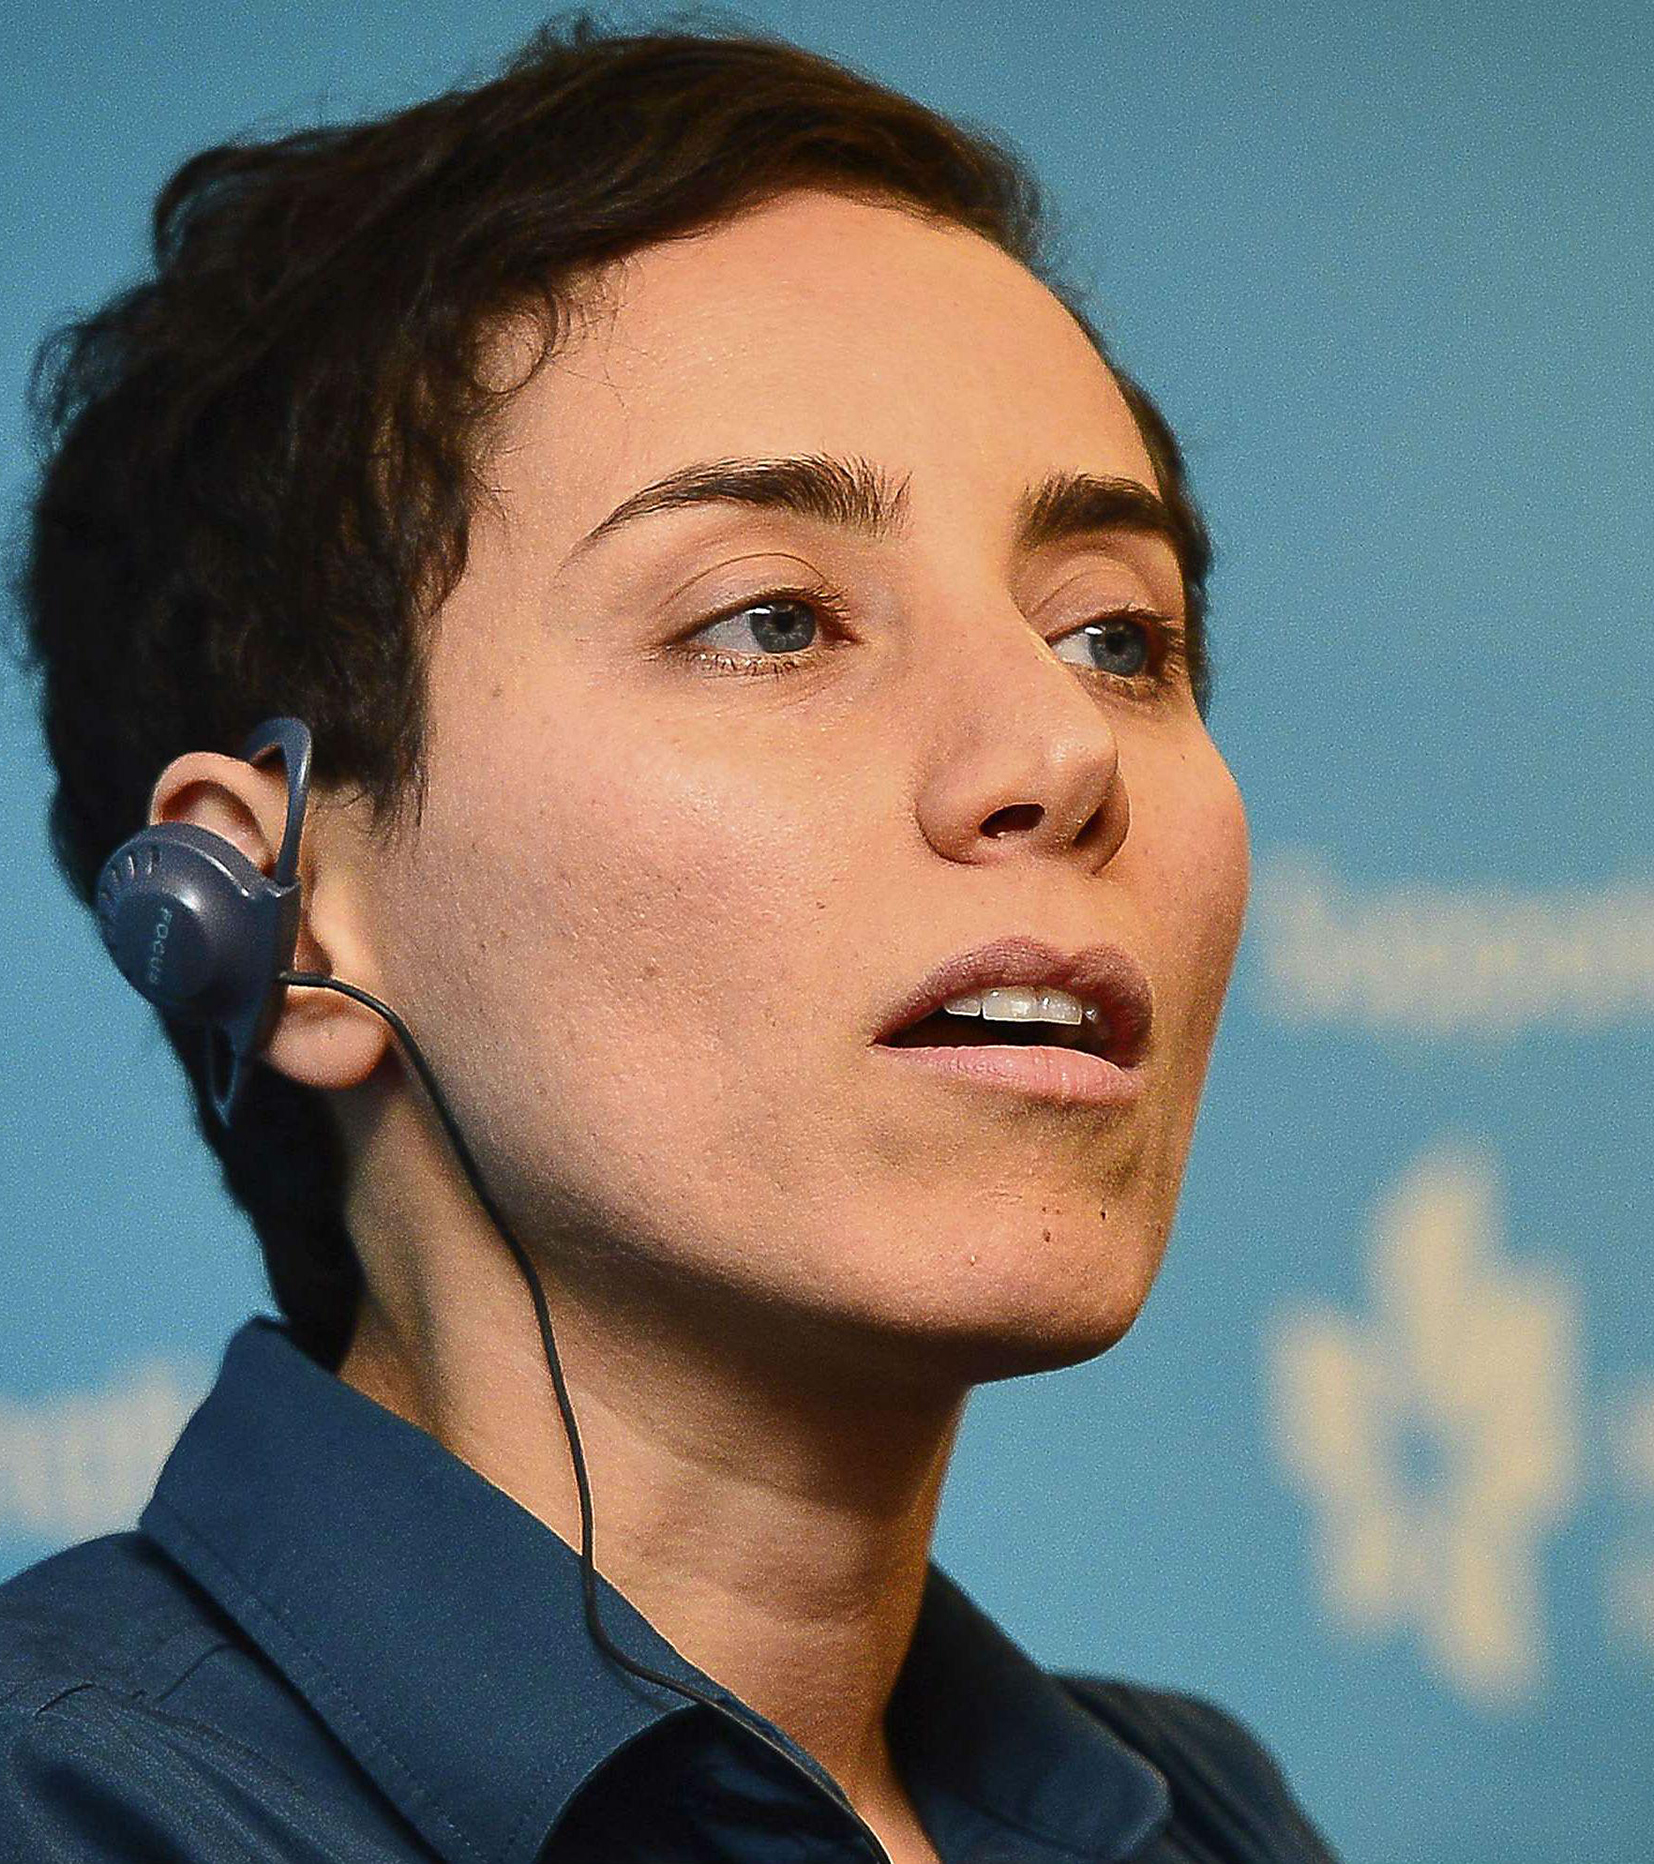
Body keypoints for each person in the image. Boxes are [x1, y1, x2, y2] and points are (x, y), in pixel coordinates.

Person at [4, 14, 1341, 1862]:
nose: (1056, 751)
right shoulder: (70, 1808)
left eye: (1115, 636)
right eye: (774, 619)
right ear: (279, 905)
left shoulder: (1196, 1818)